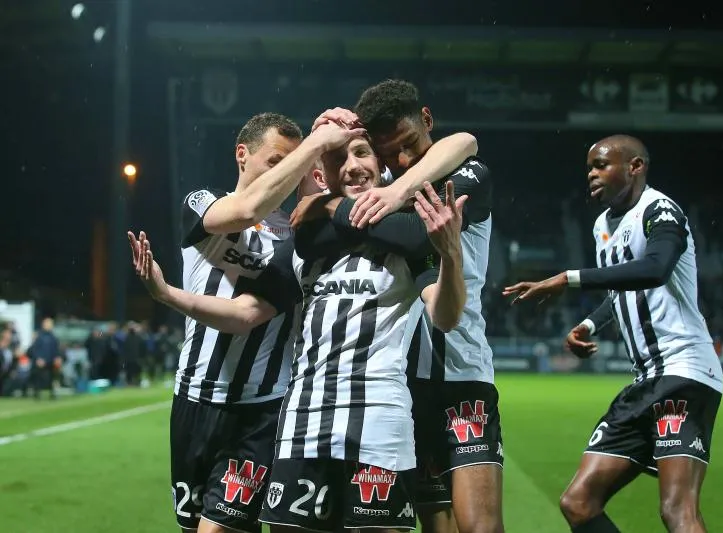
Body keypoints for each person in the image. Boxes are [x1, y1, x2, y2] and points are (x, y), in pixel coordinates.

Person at [131, 130, 468, 533]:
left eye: (362, 154)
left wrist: (450, 256)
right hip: (302, 423)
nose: (353, 166)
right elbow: (244, 313)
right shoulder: (301, 244)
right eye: (338, 159)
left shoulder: (408, 237)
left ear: (380, 166)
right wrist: (167, 293)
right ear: (323, 173)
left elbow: (446, 316)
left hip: (378, 419)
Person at [503, 134, 723, 533]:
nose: (591, 174)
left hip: (683, 372)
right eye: (589, 167)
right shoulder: (602, 226)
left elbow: (654, 268)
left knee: (677, 511)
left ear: (635, 166)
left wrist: (567, 279)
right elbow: (621, 290)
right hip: (645, 383)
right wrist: (588, 324)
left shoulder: (661, 210)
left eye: (602, 165)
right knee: (579, 503)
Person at [310, 79, 502, 533]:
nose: (401, 160)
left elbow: (464, 144)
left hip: (461, 372)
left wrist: (352, 205)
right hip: (399, 384)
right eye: (388, 152)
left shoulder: (466, 174)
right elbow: (310, 221)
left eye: (410, 143)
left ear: (428, 120)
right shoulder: (383, 181)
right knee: (435, 523)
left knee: (480, 528)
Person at [158, 111, 362, 533]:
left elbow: (250, 314)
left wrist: (321, 145)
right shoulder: (202, 203)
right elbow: (248, 207)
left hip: (260, 410)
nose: (286, 171)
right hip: (192, 399)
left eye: (295, 164)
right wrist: (313, 145)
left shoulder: (297, 240)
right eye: (275, 161)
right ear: (241, 156)